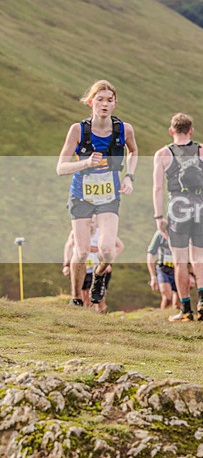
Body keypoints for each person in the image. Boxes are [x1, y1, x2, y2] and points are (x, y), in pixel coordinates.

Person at [56, 80, 138, 312]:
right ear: (90, 102)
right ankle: (75, 298)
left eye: (109, 100)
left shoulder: (124, 129)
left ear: (114, 104)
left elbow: (134, 151)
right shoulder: (78, 130)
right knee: (81, 251)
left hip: (109, 196)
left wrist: (129, 176)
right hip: (81, 196)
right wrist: (84, 162)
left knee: (107, 250)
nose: (104, 104)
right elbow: (60, 167)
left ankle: (99, 277)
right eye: (99, 99)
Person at [153, 113, 203, 322]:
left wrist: (159, 217)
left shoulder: (163, 154)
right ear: (191, 131)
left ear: (171, 130)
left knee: (180, 262)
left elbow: (157, 188)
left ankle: (186, 310)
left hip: (177, 210)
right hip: (201, 208)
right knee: (198, 258)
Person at [62, 215, 124, 310]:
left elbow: (120, 246)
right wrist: (66, 263)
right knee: (84, 296)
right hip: (81, 268)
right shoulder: (75, 232)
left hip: (97, 267)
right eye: (88, 220)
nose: (90, 222)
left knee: (98, 298)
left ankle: (101, 316)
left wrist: (108, 263)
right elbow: (68, 246)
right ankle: (85, 316)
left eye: (93, 221)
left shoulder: (102, 233)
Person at [146, 226, 179, 310]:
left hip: (178, 270)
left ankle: (178, 317)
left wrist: (191, 274)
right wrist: (153, 277)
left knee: (177, 304)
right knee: (167, 298)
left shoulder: (184, 233)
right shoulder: (160, 234)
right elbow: (150, 255)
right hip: (163, 269)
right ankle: (162, 315)